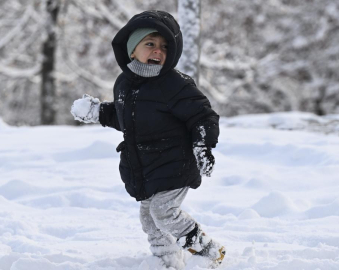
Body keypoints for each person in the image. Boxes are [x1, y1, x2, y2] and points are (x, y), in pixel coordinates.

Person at [70, 10, 225, 269]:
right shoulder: (124, 84)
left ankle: (209, 251)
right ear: (132, 49)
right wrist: (99, 111)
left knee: (164, 212)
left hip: (176, 163)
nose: (158, 51)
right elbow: (127, 119)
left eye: (165, 47)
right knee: (149, 218)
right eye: (150, 44)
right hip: (146, 167)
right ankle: (166, 261)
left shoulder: (176, 84)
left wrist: (202, 145)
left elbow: (202, 115)